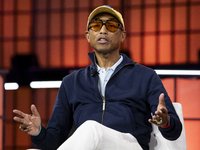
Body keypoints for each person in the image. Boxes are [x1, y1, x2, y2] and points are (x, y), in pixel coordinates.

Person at [13, 5, 182, 150]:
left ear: (122, 35)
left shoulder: (145, 76)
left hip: (129, 145)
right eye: (95, 26)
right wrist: (39, 133)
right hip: (90, 146)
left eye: (111, 25)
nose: (103, 30)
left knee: (91, 129)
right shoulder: (71, 82)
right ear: (88, 36)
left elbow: (174, 131)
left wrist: (165, 121)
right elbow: (55, 141)